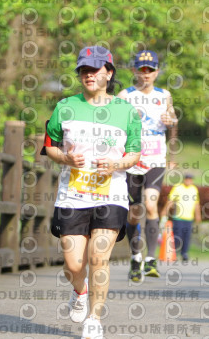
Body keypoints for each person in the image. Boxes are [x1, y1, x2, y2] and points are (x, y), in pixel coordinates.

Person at [42, 45, 142, 339]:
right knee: (74, 264)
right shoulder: (65, 107)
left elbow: (134, 153)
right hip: (72, 196)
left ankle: (94, 319)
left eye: (95, 69)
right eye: (84, 70)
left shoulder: (126, 111)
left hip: (111, 195)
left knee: (99, 258)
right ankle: (79, 290)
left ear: (109, 73)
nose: (88, 74)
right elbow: (49, 146)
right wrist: (65, 158)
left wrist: (116, 163)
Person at [117, 50, 177, 281]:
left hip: (155, 159)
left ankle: (151, 259)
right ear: (134, 71)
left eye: (150, 70)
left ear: (157, 72)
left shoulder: (165, 95)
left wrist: (170, 122)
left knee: (151, 206)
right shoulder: (125, 95)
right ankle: (135, 257)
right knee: (134, 213)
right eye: (142, 70)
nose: (146, 74)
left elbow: (172, 122)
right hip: (131, 160)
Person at [162, 173, 201, 262]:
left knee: (187, 237)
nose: (189, 181)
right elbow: (170, 201)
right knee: (177, 236)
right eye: (187, 179)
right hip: (178, 217)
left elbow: (196, 204)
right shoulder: (178, 188)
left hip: (189, 218)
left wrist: (198, 215)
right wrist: (165, 211)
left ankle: (184, 253)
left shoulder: (194, 189)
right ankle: (174, 253)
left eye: (190, 179)